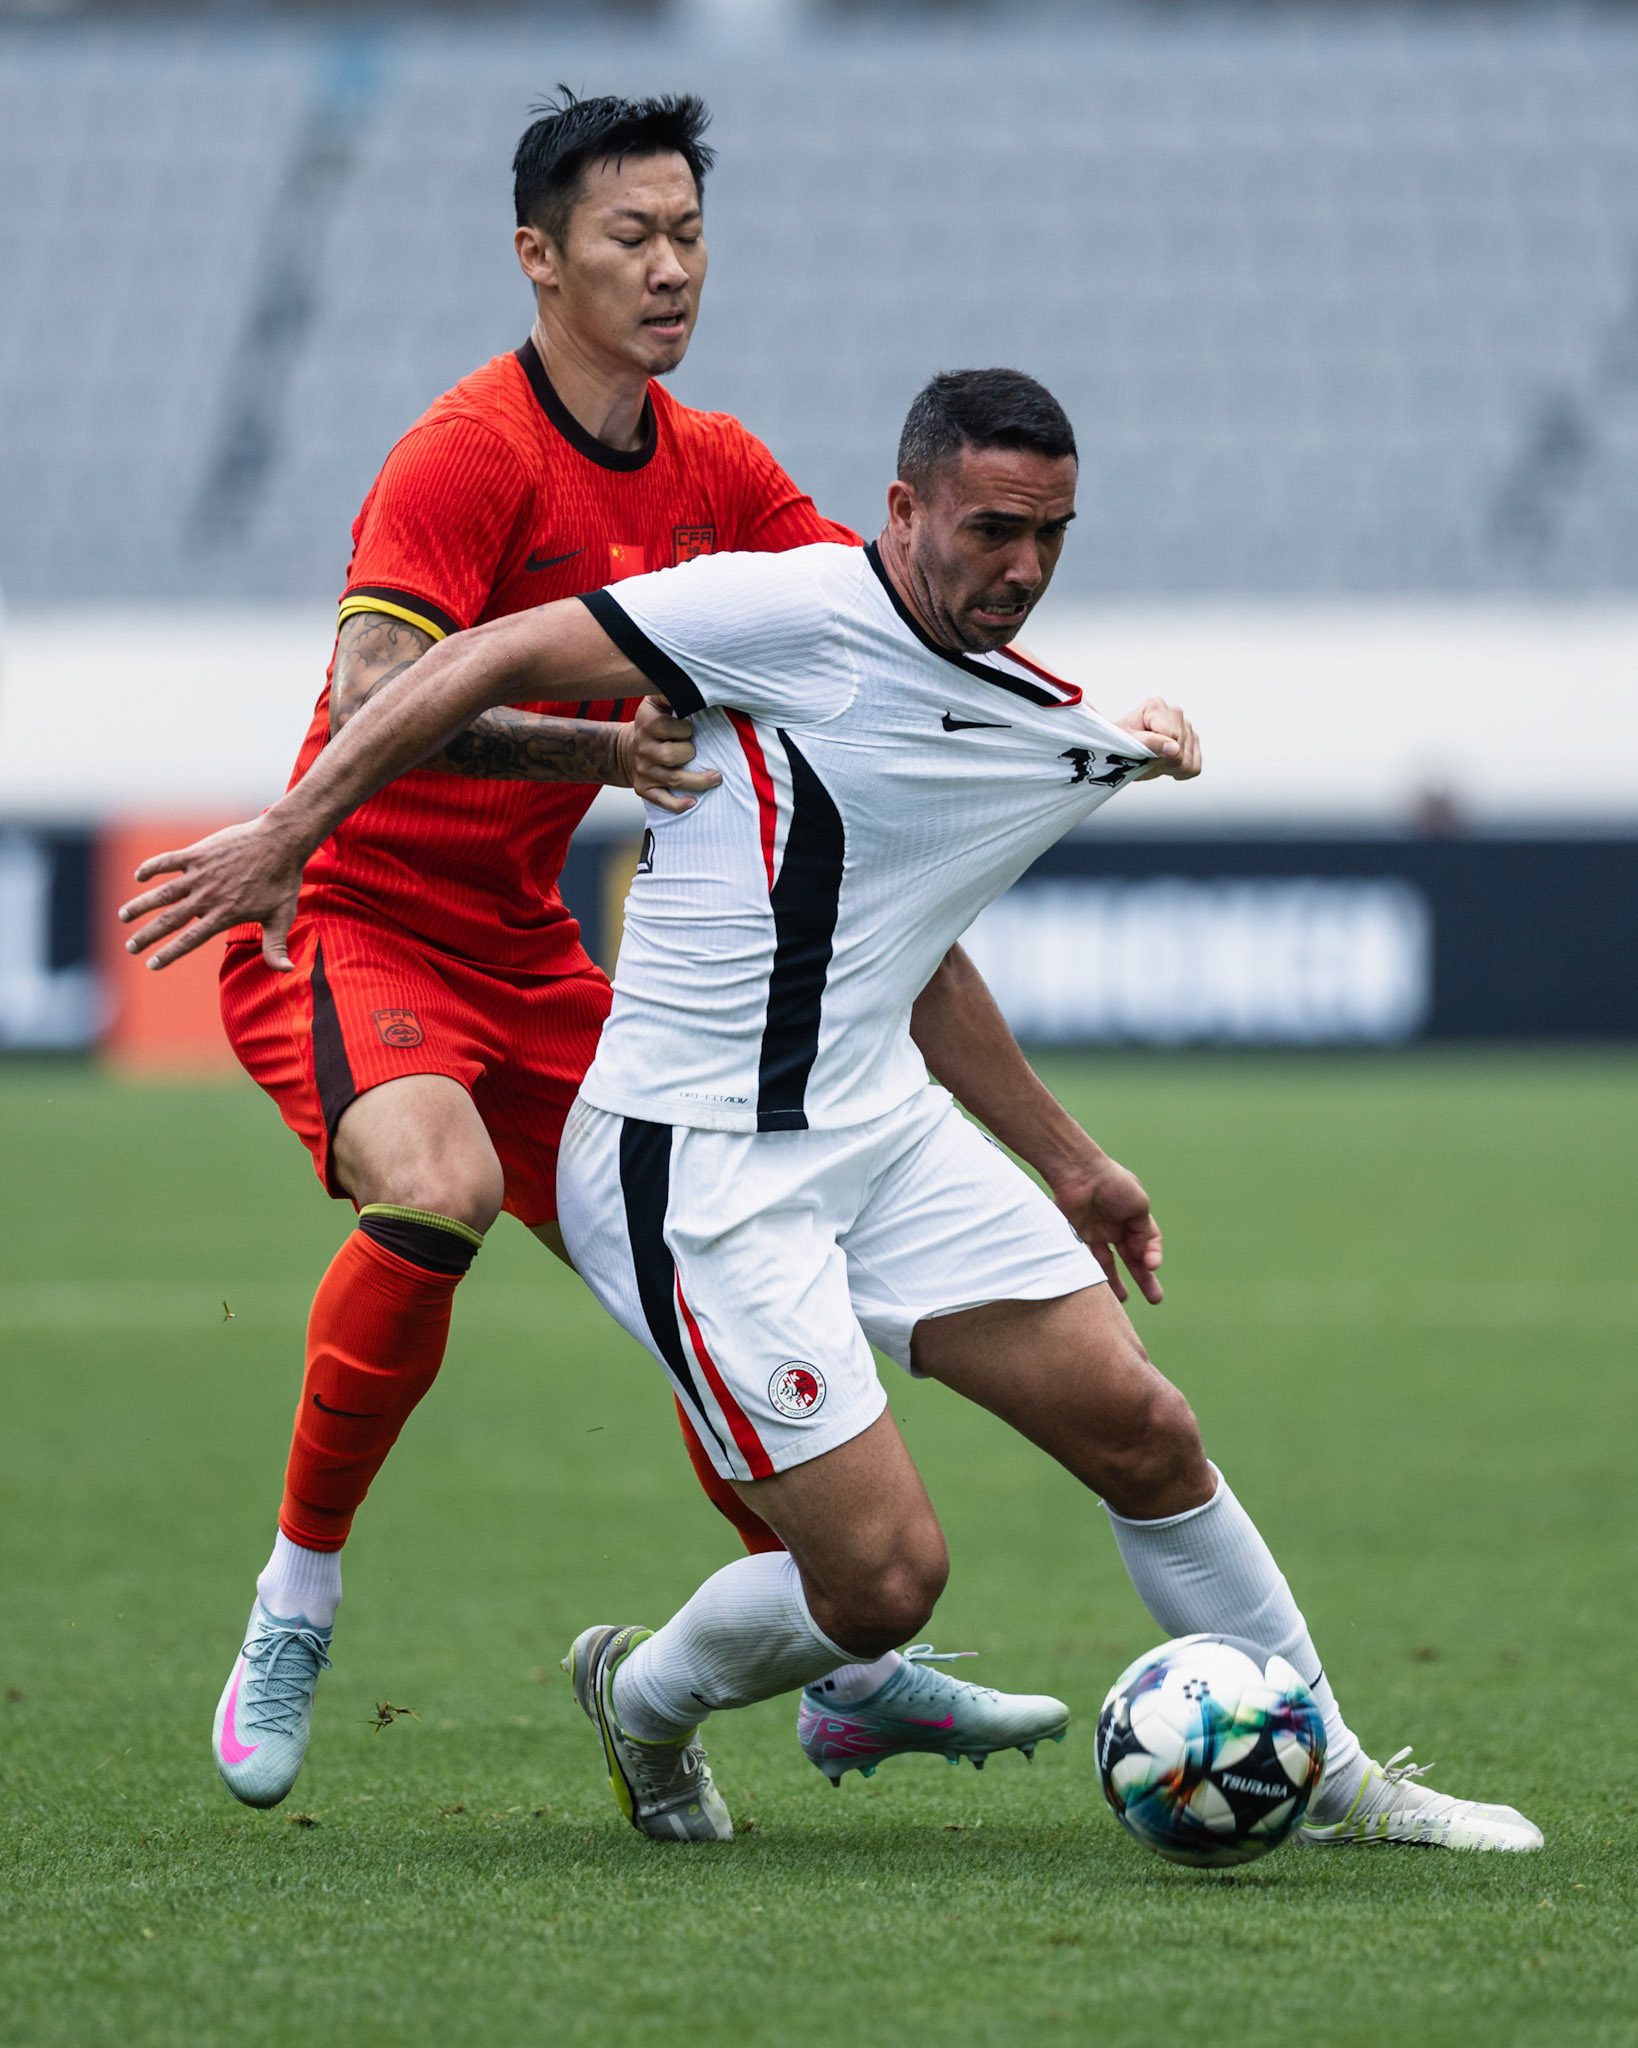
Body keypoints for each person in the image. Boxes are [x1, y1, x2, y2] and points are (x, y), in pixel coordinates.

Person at [119, 367, 1543, 1856]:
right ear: (903, 510)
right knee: (880, 1584)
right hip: (697, 1168)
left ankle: (1326, 1775)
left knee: (1144, 1432)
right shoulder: (780, 609)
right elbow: (479, 655)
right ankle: (645, 1697)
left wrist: (1072, 1162)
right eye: (993, 529)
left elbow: (908, 946)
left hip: (883, 1134)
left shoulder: (1015, 705)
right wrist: (290, 830)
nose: (1024, 568)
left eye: (1053, 535)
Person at [126, 92, 1074, 1814]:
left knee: (693, 1280)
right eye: (631, 237)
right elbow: (368, 699)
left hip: (528, 948)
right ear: (538, 257)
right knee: (439, 1186)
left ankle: (844, 1672)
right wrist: (594, 754)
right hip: (344, 912)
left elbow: (872, 609)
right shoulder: (465, 451)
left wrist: (1068, 726)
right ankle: (295, 1598)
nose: (668, 269)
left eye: (689, 235)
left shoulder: (713, 466)